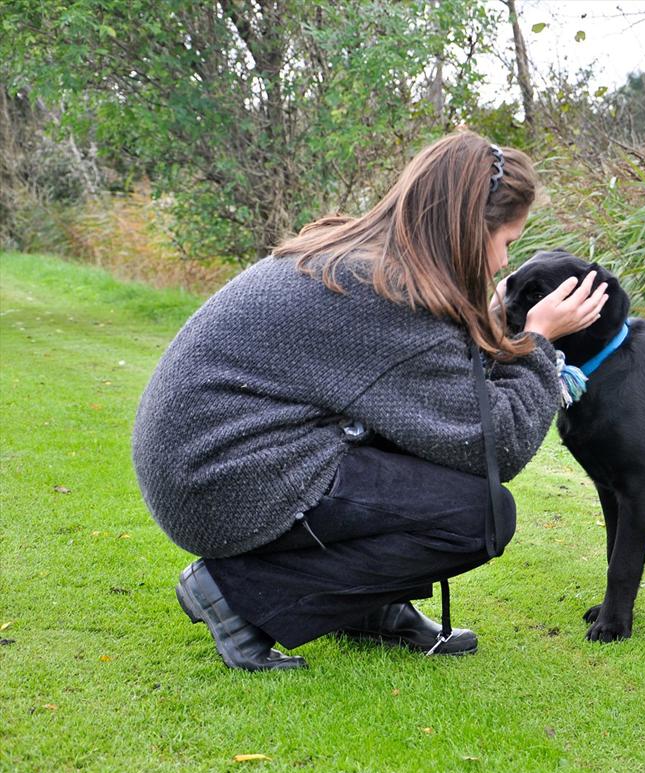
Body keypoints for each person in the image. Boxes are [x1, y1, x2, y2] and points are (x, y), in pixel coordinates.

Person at [131, 131, 608, 671]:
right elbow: (497, 443)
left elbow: (434, 405)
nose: (503, 262)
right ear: (468, 230)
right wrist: (540, 342)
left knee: (417, 447)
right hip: (221, 482)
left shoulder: (367, 260)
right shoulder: (390, 293)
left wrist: (499, 328)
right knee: (482, 516)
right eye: (506, 241)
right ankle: (235, 592)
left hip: (205, 463)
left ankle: (365, 608)